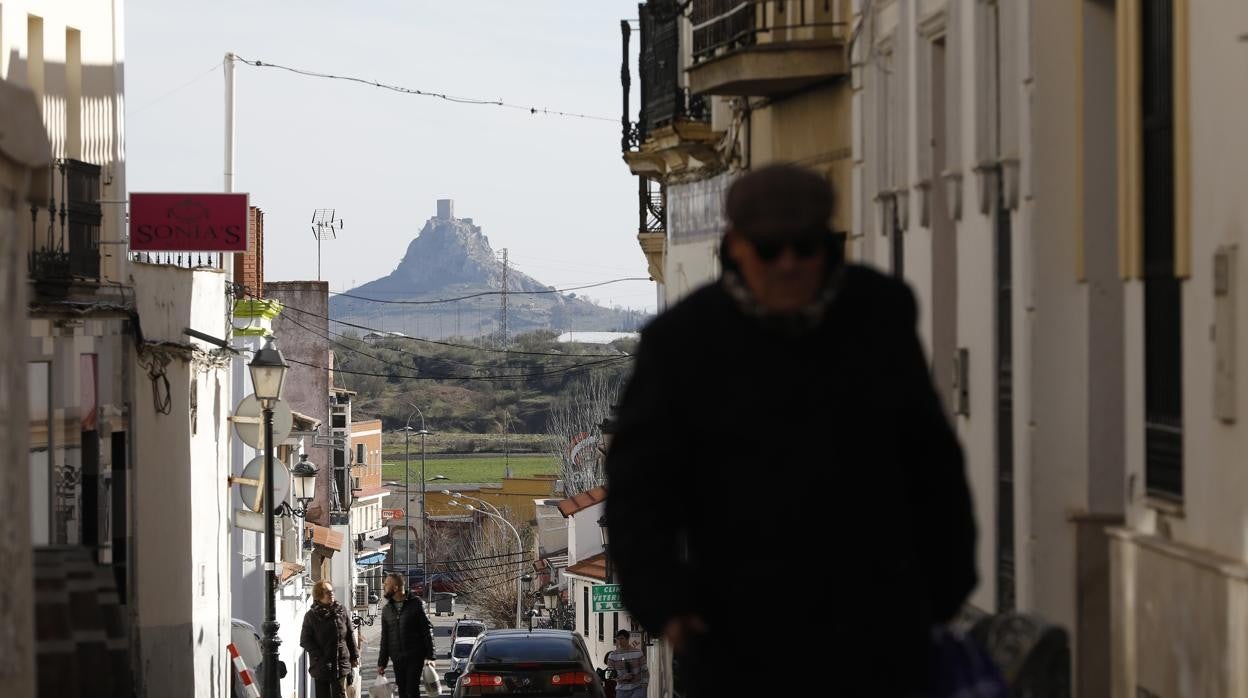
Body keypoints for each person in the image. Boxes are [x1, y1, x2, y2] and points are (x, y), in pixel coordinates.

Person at [604, 164, 977, 697]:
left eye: (805, 247)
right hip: (739, 630)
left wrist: (941, 588)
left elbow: (931, 460)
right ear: (736, 246)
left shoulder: (879, 315)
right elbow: (639, 488)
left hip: (878, 626)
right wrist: (666, 605)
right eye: (770, 248)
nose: (789, 264)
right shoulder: (683, 342)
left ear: (827, 246)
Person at [377, 573, 436, 698]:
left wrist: (430, 657)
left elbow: (427, 630)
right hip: (397, 658)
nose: (384, 587)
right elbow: (385, 638)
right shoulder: (387, 610)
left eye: (386, 584)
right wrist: (382, 663)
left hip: (415, 656)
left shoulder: (416, 604)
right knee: (402, 690)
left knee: (412, 689)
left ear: (395, 588)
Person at [299, 580, 359, 698]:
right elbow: (305, 640)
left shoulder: (341, 611)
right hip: (321, 665)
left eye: (332, 591)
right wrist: (319, 656)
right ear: (319, 595)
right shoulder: (311, 616)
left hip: (341, 663)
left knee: (340, 694)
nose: (331, 594)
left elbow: (349, 635)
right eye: (327, 592)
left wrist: (354, 656)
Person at [606, 630, 648, 698]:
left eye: (622, 638)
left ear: (628, 639)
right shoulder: (612, 656)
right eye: (618, 639)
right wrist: (623, 677)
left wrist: (644, 685)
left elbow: (645, 670)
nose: (619, 641)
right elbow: (609, 675)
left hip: (637, 688)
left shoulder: (638, 653)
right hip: (621, 690)